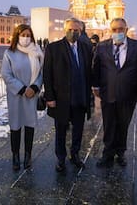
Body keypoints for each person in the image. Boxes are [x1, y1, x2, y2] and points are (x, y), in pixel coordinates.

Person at [92, 18, 137, 168]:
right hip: (108, 93)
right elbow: (96, 68)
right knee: (109, 125)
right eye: (114, 29)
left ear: (126, 30)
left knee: (123, 125)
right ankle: (107, 154)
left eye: (121, 29)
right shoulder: (102, 47)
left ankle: (120, 153)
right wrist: (95, 86)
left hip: (128, 94)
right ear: (110, 30)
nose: (117, 32)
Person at [43, 17, 93, 172]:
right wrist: (49, 97)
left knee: (78, 129)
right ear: (65, 30)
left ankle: (75, 154)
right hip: (62, 99)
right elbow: (47, 73)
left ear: (81, 31)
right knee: (61, 130)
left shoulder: (86, 47)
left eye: (76, 30)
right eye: (70, 30)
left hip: (80, 97)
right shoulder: (54, 48)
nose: (73, 32)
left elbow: (89, 72)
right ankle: (61, 158)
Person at [1, 24, 43, 170]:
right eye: (23, 35)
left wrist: (35, 87)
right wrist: (22, 89)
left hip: (31, 95)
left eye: (28, 35)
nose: (26, 38)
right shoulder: (9, 53)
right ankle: (15, 156)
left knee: (29, 126)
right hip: (16, 96)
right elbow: (6, 74)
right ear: (17, 36)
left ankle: (28, 155)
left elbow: (41, 73)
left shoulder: (37, 52)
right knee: (16, 126)